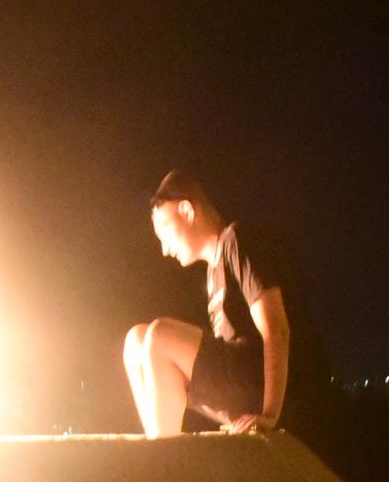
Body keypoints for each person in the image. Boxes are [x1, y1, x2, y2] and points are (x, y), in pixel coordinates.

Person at [123, 172, 291, 439]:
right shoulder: (213, 271)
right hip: (235, 386)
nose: (165, 249)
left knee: (160, 335)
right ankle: (158, 445)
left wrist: (270, 414)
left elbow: (277, 329)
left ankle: (164, 460)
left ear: (187, 210)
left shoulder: (235, 240)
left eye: (165, 229)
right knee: (136, 341)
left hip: (257, 385)